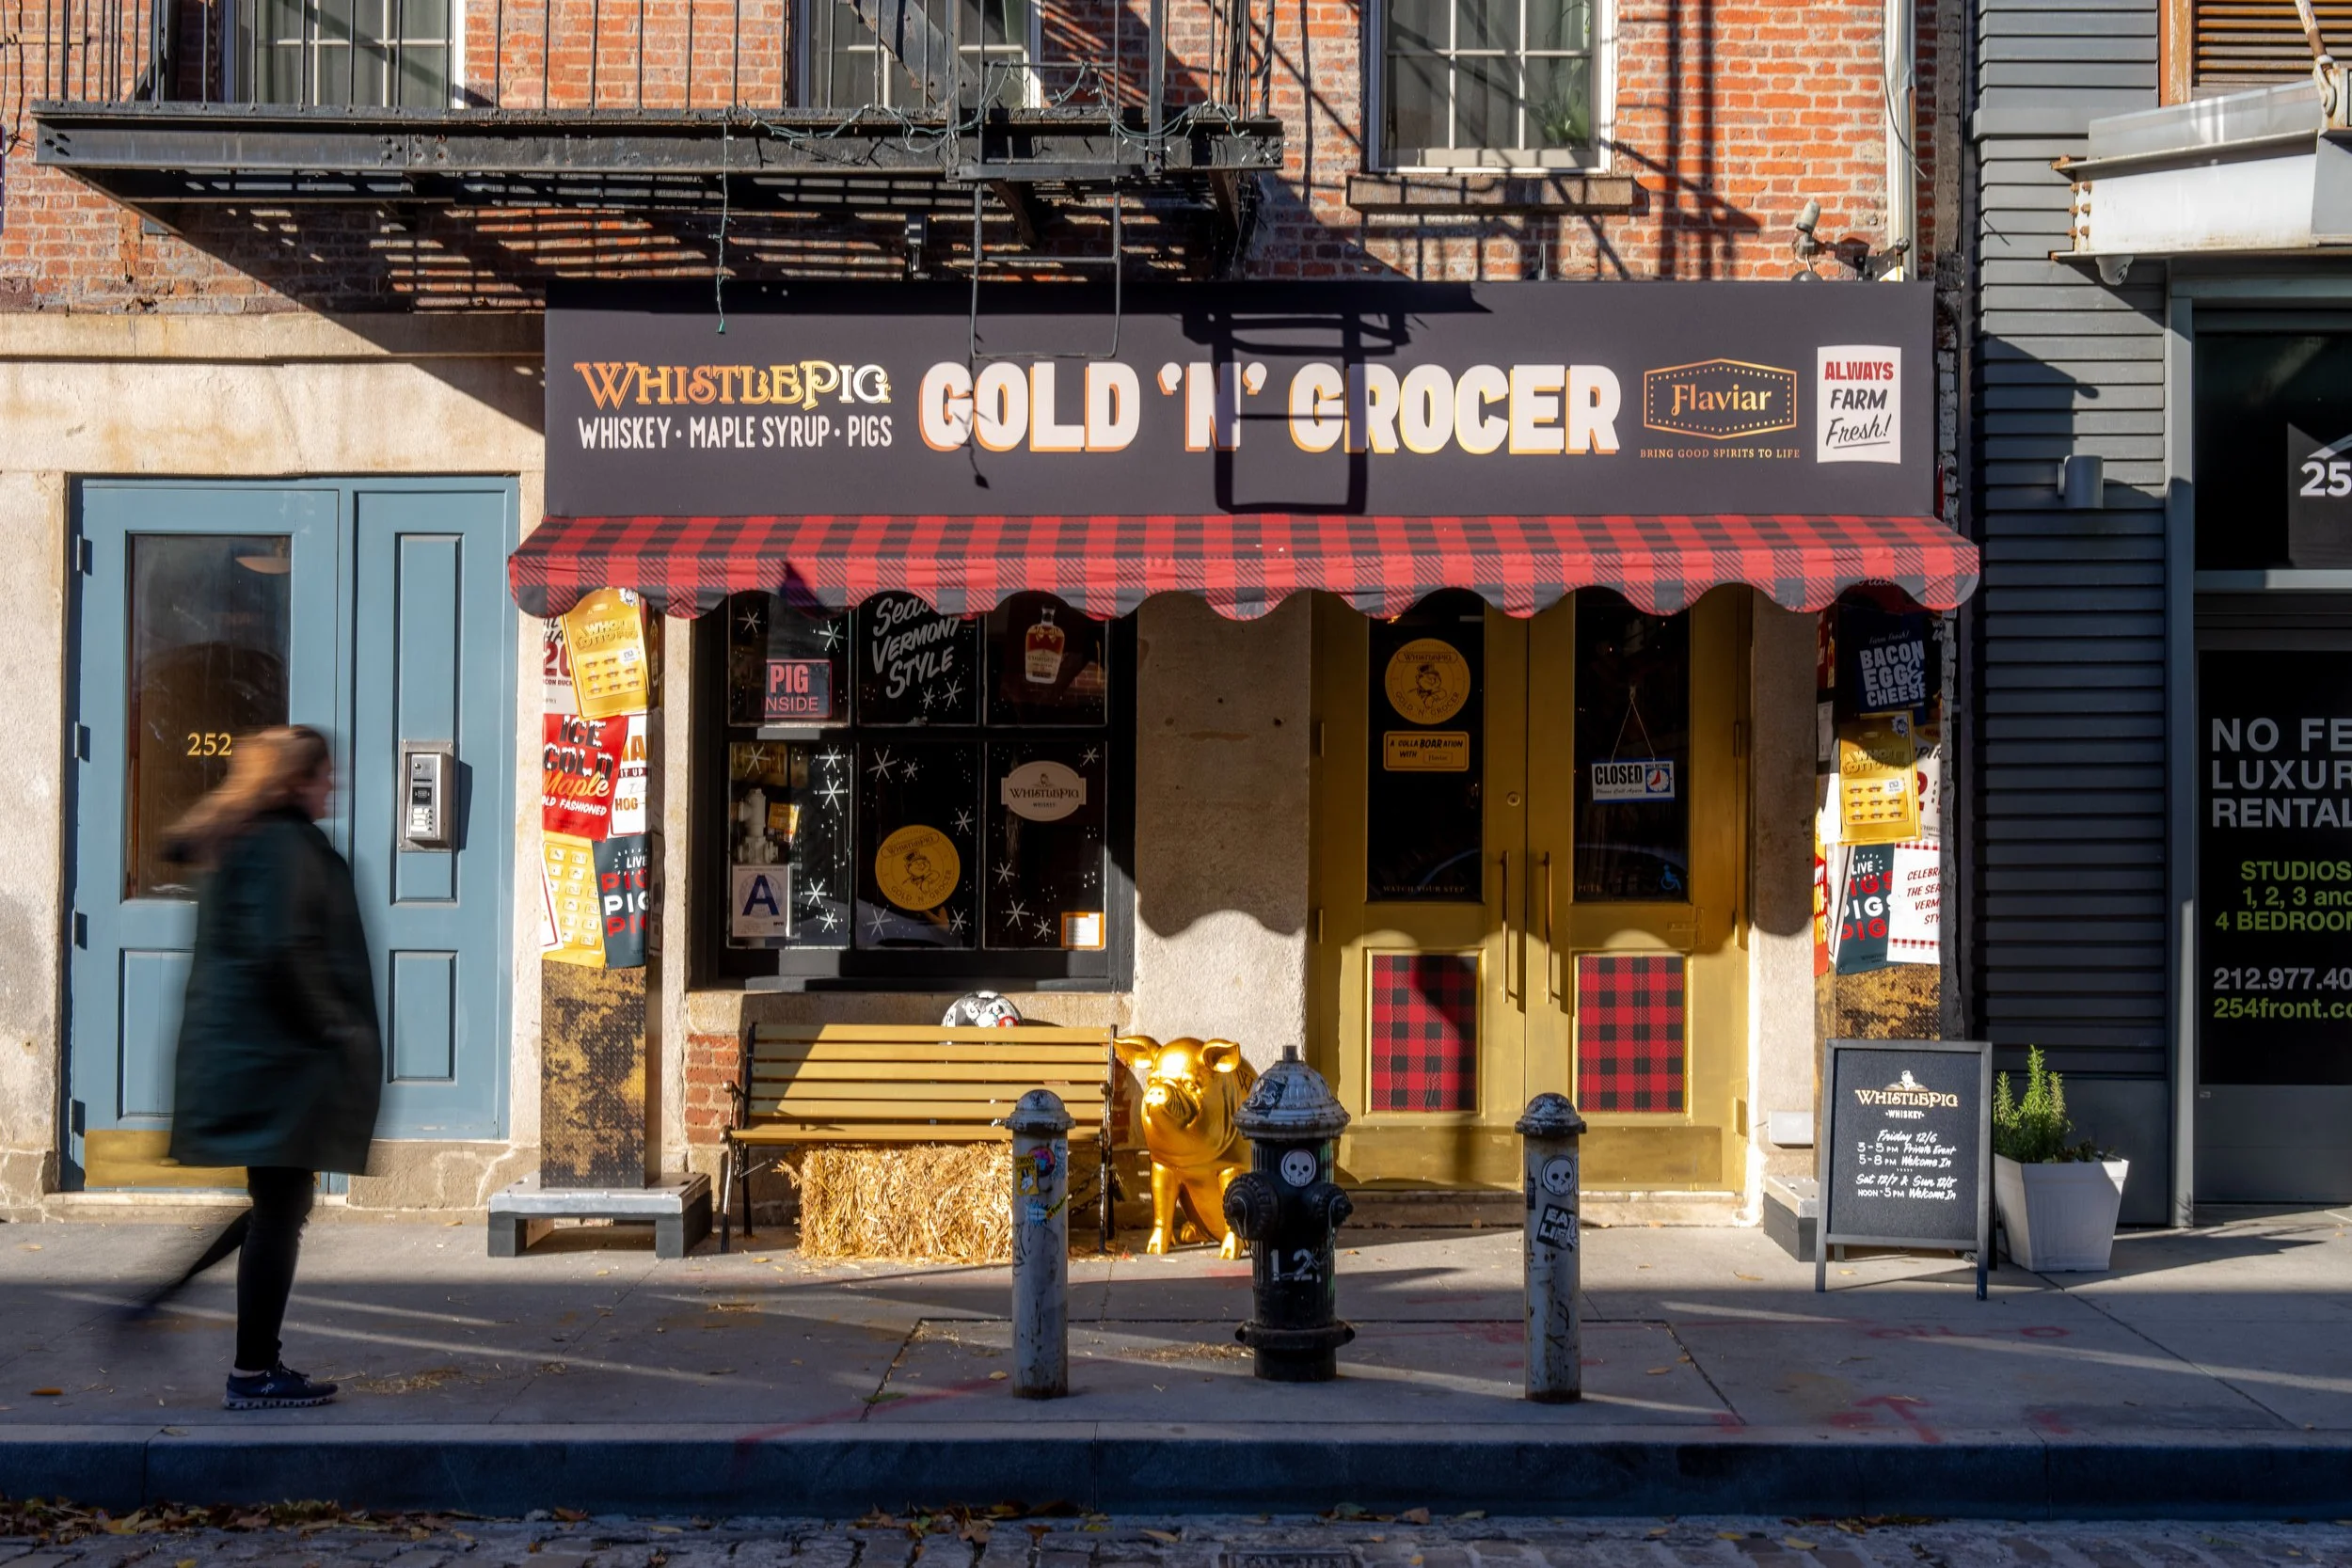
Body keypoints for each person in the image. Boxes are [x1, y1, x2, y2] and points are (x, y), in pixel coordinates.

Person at [128, 725, 383, 1411]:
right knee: (280, 1208)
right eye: (326, 775)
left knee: (279, 1203)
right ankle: (251, 1369)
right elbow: (284, 949)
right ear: (295, 781)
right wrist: (333, 1023)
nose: (334, 786)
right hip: (277, 1062)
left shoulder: (243, 836)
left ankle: (164, 1301)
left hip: (254, 1057)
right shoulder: (279, 844)